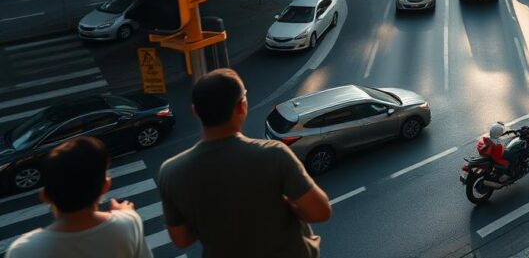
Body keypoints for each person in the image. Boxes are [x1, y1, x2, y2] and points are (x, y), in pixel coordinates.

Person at [158, 69, 331, 258]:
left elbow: (181, 240)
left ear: (195, 111)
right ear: (242, 106)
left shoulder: (171, 172)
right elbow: (320, 212)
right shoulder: (273, 155)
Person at [6, 137, 152, 258]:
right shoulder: (128, 224)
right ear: (106, 185)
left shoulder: (22, 251)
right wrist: (127, 214)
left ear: (44, 196)